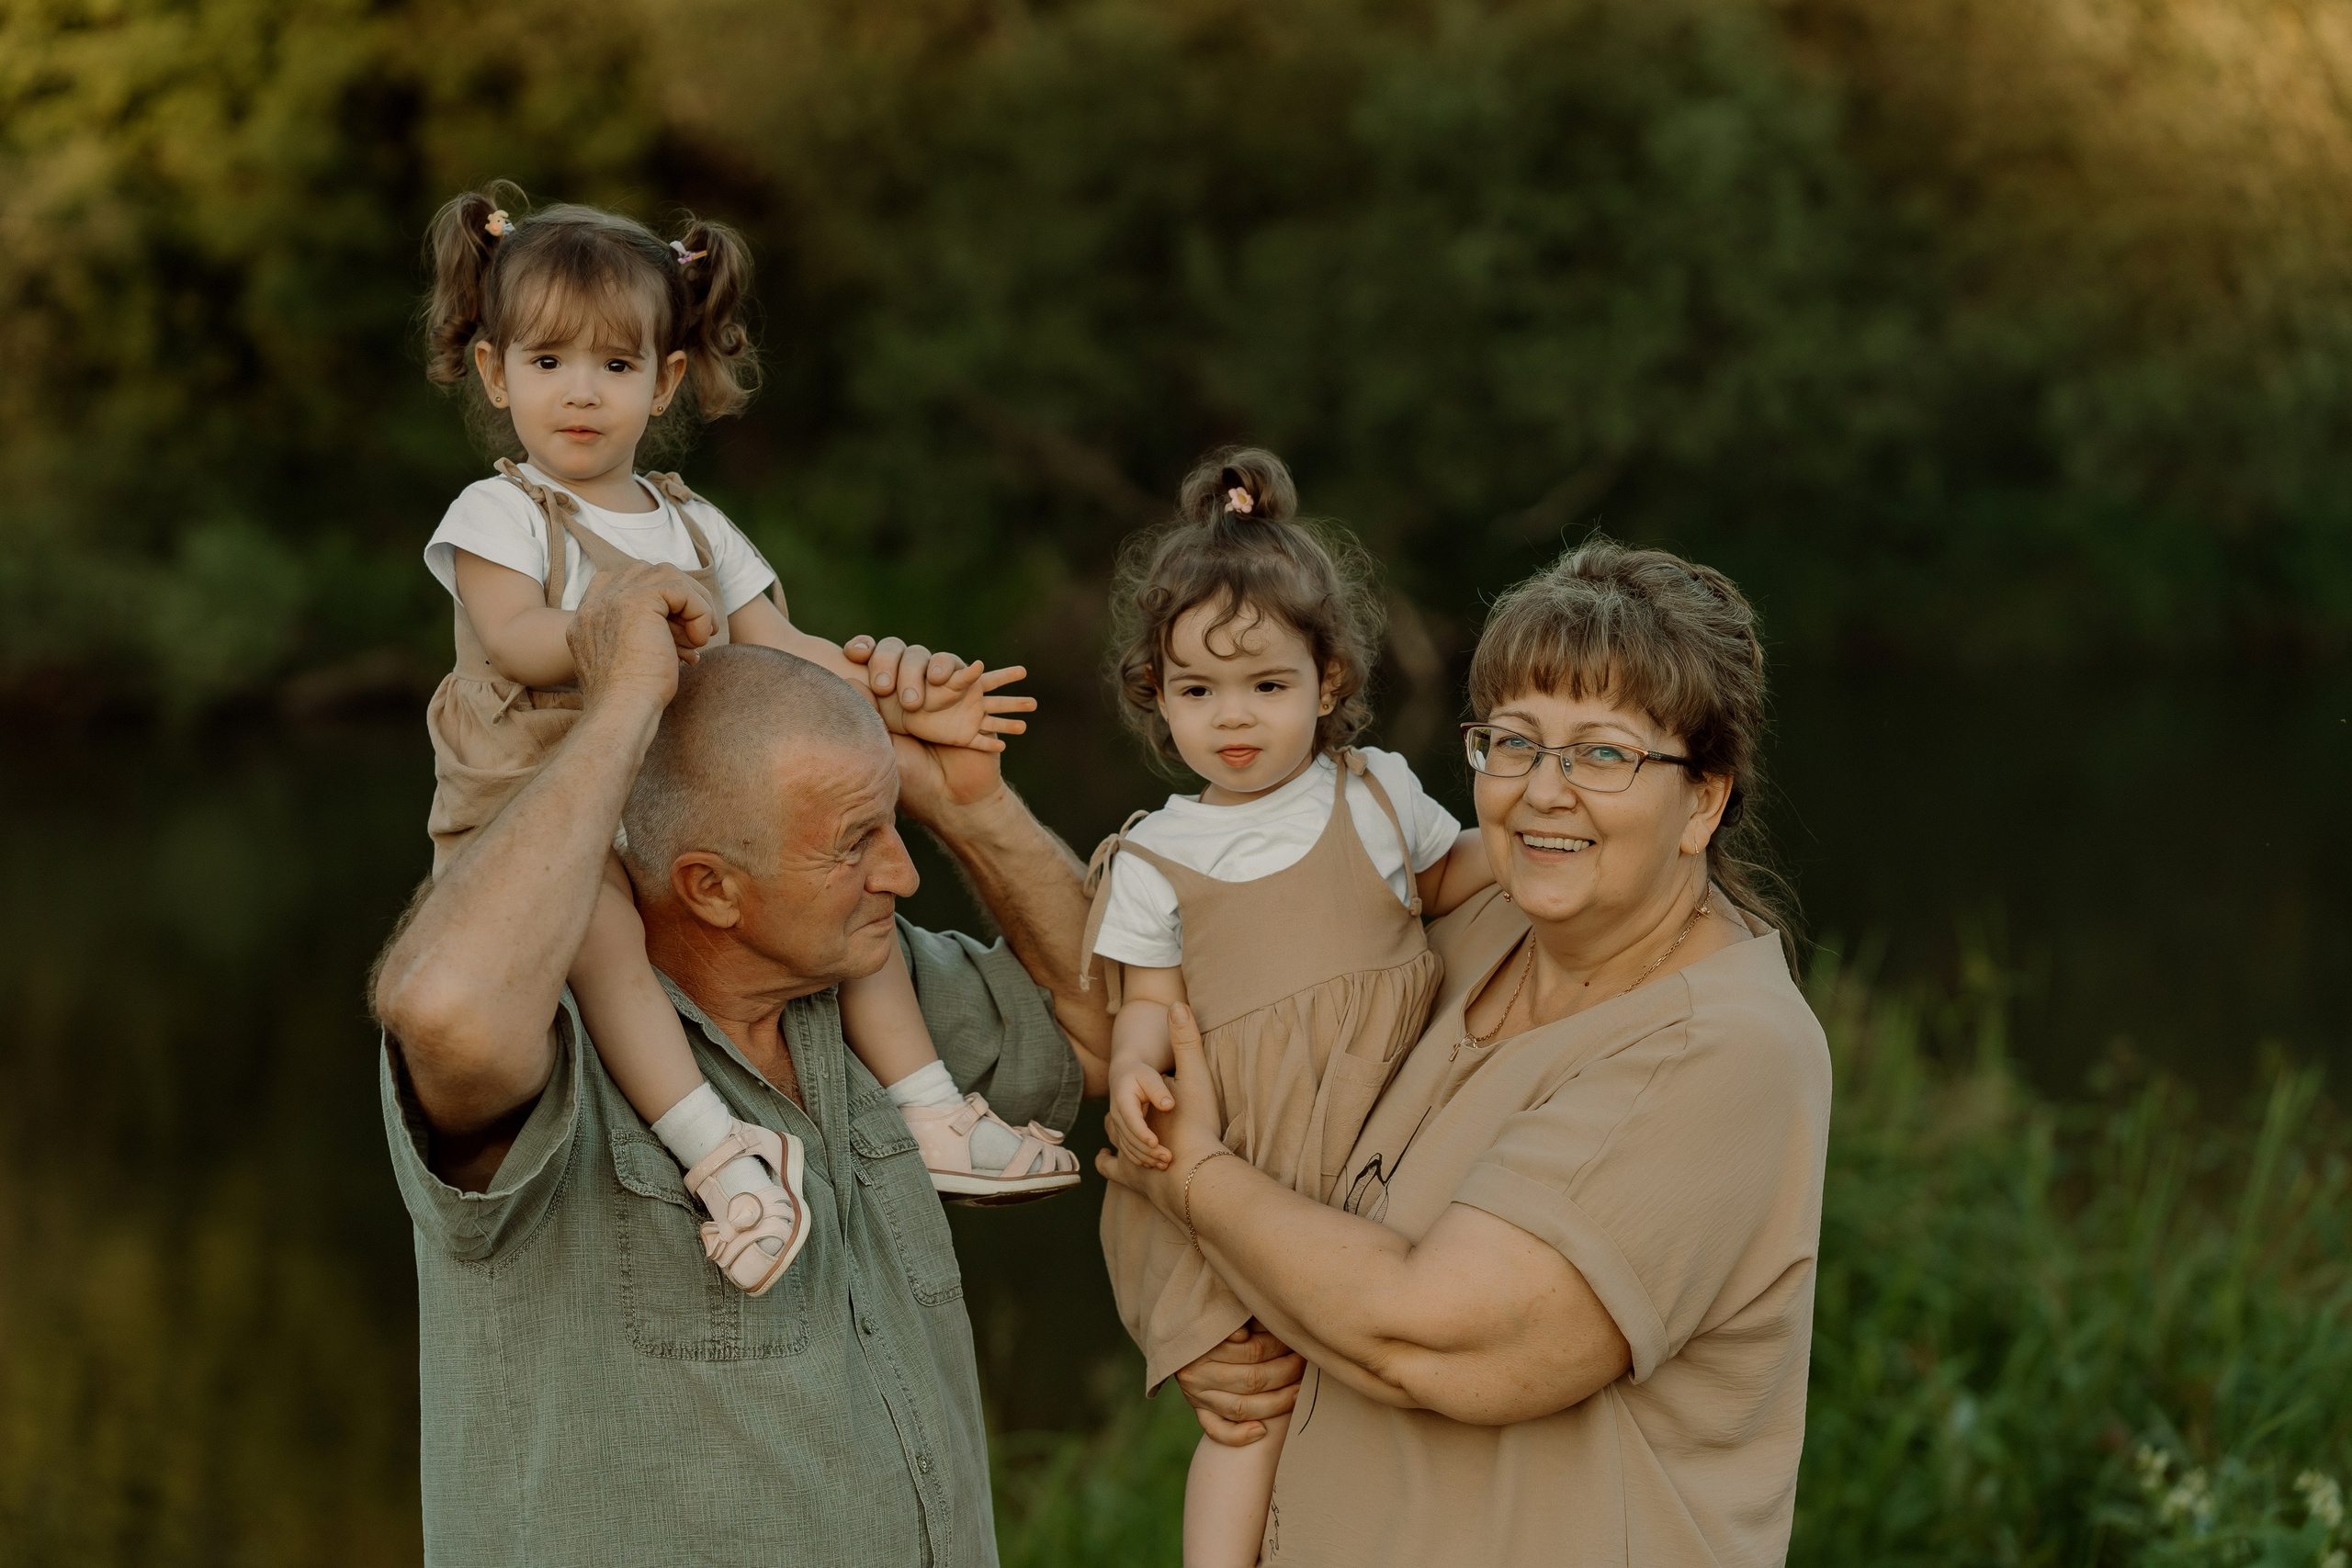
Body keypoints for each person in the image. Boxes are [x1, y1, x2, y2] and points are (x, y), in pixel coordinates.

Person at [1103, 540, 1834, 1565]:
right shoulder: (1480, 925)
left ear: (1703, 800)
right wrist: (972, 803)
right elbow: (1189, 978)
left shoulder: (1719, 1051)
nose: (1542, 792)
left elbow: (1432, 1335)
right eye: (1513, 742)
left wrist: (1195, 1184)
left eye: (1602, 754)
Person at [415, 182, 1078, 1303]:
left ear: (666, 381)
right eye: (547, 362)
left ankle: (929, 1111)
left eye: (615, 365)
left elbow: (786, 650)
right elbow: (518, 638)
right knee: (602, 940)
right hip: (545, 805)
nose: (581, 393)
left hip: (680, 801)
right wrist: (621, 620)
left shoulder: (692, 521)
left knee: (846, 900)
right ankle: (720, 1155)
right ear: (494, 372)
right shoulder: (503, 513)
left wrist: (904, 700)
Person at [372, 562, 1111, 1566]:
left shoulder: (868, 983)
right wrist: (621, 705)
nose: (901, 873)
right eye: (855, 844)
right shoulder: (550, 1041)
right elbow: (441, 1014)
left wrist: (966, 805)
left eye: (895, 827)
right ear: (711, 888)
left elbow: (1108, 1032)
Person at [1079, 449, 1491, 1566]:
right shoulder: (1156, 856)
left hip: (1381, 1135)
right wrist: (1134, 1071)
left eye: (1268, 686)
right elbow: (1147, 1006)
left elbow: (1451, 877)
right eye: (1197, 691)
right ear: (1154, 694)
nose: (1235, 718)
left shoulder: (1374, 795)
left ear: (1330, 682)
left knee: (1381, 1379)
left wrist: (1533, 844)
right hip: (1250, 1156)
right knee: (1251, 1409)